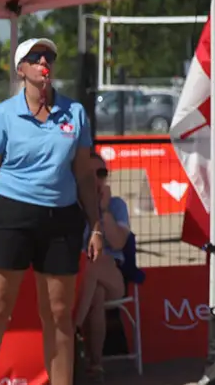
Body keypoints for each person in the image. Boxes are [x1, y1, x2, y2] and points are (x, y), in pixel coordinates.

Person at [0, 38, 103, 385]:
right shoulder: (4, 114)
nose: (44, 61)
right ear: (21, 70)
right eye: (35, 57)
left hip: (61, 219)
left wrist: (96, 226)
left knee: (58, 315)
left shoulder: (75, 112)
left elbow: (85, 174)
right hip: (10, 216)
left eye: (50, 56)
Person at [73, 153, 132, 384]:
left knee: (95, 262)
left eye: (102, 173)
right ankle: (95, 366)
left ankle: (72, 330)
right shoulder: (73, 206)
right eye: (91, 173)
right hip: (84, 279)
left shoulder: (116, 206)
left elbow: (118, 243)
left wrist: (103, 211)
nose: (97, 179)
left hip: (114, 275)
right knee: (95, 294)